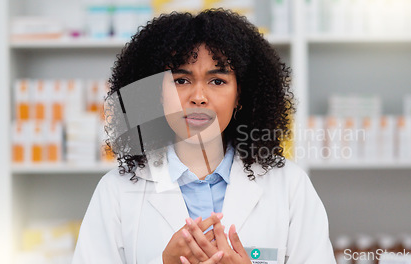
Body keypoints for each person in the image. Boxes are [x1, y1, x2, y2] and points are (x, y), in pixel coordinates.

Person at [72, 8, 335, 264]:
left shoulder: (290, 187)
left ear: (240, 95)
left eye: (217, 81)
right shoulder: (116, 191)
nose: (198, 97)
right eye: (181, 80)